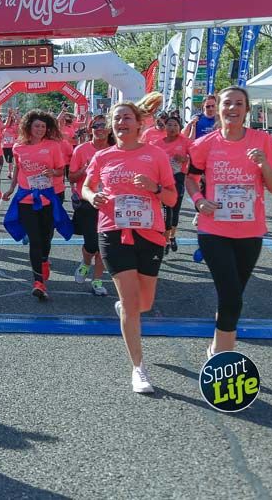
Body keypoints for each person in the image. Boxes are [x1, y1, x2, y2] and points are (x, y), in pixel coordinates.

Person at [83, 102, 177, 393]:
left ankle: (124, 308)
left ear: (139, 124)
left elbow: (172, 199)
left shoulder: (156, 154)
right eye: (116, 119)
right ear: (112, 126)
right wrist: (92, 197)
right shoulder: (103, 156)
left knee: (143, 303)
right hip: (112, 232)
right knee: (133, 304)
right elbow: (86, 186)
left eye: (127, 117)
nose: (121, 122)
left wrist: (154, 188)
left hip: (149, 234)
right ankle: (138, 368)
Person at [186, 86, 272, 358]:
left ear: (247, 110)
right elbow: (191, 180)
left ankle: (218, 341)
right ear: (217, 108)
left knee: (234, 295)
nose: (233, 108)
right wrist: (199, 201)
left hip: (250, 231)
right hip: (213, 229)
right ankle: (223, 357)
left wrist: (263, 164)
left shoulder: (262, 141)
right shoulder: (204, 144)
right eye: (227, 103)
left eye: (239, 104)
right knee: (231, 296)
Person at [2, 111, 71, 300]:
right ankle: (38, 282)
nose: (40, 129)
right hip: (26, 198)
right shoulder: (18, 147)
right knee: (35, 240)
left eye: (43, 126)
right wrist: (11, 189)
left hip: (48, 197)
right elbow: (18, 168)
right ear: (28, 127)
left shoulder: (53, 146)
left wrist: (52, 172)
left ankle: (44, 260)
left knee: (46, 238)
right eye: (36, 126)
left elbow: (60, 171)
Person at [68, 115, 114, 296]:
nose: (100, 128)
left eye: (103, 125)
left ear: (109, 129)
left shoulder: (115, 150)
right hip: (87, 202)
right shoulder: (81, 150)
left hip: (109, 203)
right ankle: (86, 263)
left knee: (105, 244)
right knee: (92, 243)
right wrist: (84, 170)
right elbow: (71, 177)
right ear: (90, 129)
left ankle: (97, 280)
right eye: (96, 125)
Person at [152, 116, 191, 253]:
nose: (172, 128)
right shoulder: (157, 144)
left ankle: (171, 236)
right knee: (166, 210)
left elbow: (194, 160)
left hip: (178, 178)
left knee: (175, 210)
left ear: (179, 127)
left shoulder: (185, 142)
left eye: (175, 125)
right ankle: (166, 239)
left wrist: (185, 159)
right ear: (165, 126)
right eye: (169, 125)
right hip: (162, 180)